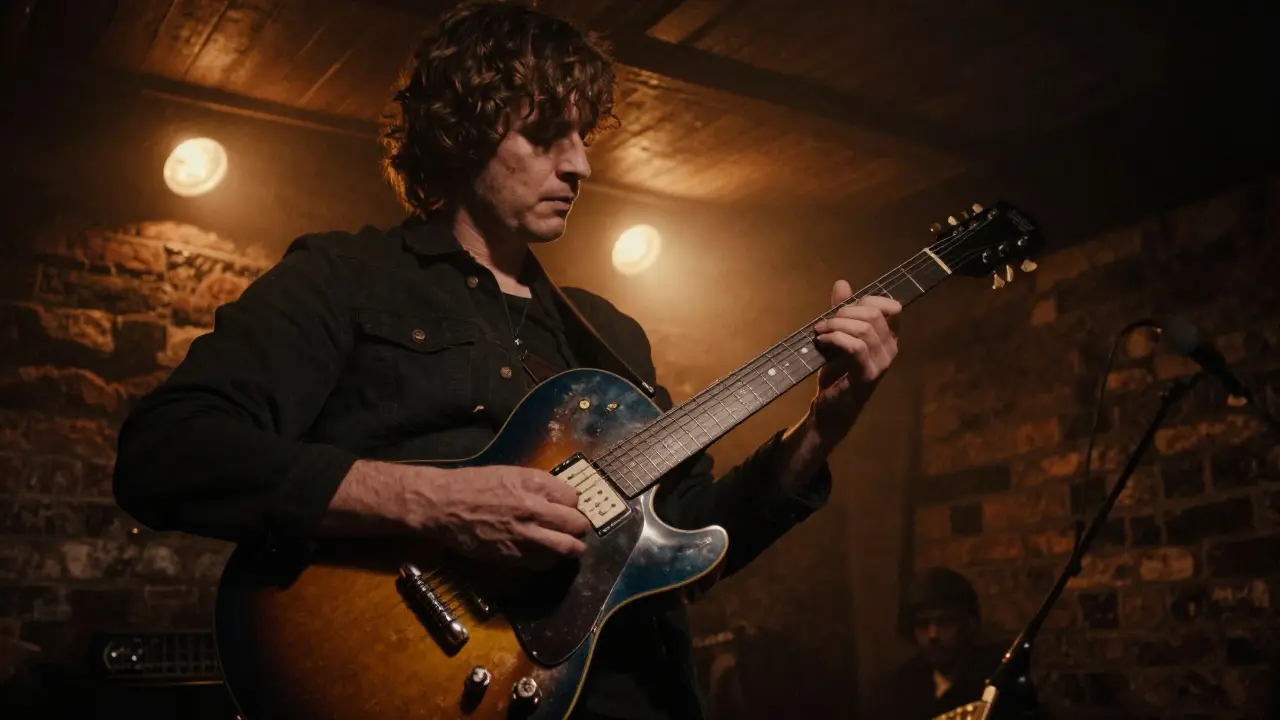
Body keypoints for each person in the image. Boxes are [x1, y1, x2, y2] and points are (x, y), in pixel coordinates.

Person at [112, 2, 901, 718]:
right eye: (545, 134)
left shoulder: (608, 336)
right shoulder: (343, 280)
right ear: (462, 130)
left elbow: (692, 545)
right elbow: (168, 452)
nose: (580, 165)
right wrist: (436, 503)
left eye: (584, 135)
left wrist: (819, 432)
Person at [871, 567, 1006, 720]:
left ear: (967, 624)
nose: (933, 635)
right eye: (923, 624)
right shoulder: (898, 690)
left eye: (944, 622)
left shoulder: (997, 685)